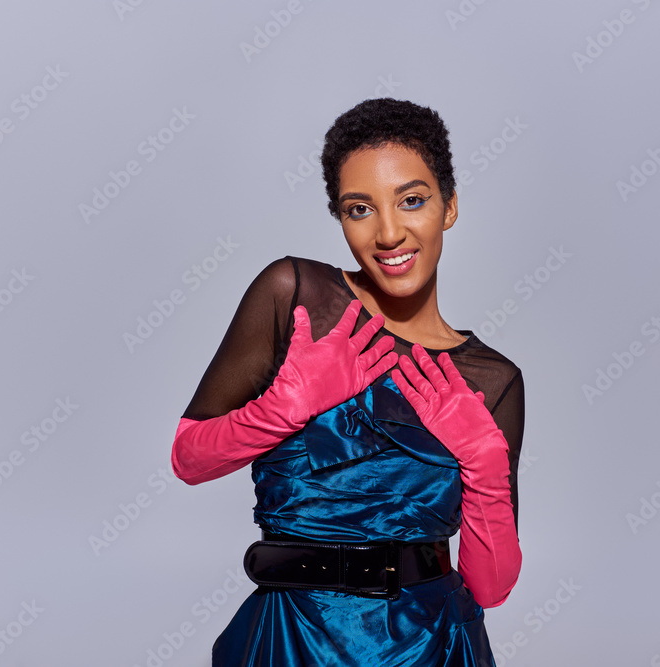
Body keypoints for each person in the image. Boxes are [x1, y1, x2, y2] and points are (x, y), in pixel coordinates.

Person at [171, 98, 525, 666]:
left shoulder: (493, 380)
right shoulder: (296, 297)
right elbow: (190, 458)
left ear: (450, 206)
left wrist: (484, 464)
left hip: (432, 646)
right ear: (339, 216)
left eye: (412, 200)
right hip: (292, 638)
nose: (389, 233)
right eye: (360, 209)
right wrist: (283, 407)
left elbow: (491, 587)